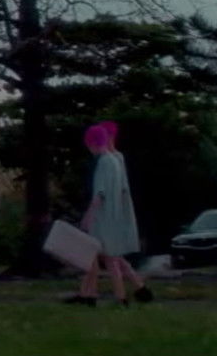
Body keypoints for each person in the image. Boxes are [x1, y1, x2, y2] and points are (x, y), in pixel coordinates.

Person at [64, 123, 152, 307]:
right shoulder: (115, 161)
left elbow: (100, 193)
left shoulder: (104, 162)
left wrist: (88, 215)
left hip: (102, 218)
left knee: (107, 258)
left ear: (92, 144)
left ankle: (113, 297)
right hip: (113, 216)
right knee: (108, 258)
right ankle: (100, 295)